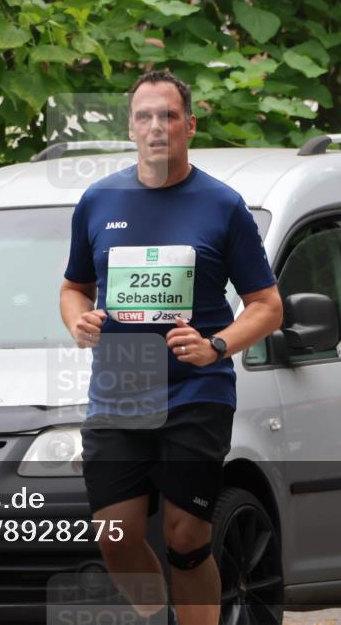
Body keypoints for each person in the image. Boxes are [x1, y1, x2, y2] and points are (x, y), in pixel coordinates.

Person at [59, 70, 283, 625]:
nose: (156, 126)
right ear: (130, 127)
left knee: (186, 537)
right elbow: (73, 288)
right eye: (144, 116)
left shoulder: (221, 205)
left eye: (168, 115)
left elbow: (267, 305)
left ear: (189, 125)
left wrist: (216, 346)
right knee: (116, 536)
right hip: (118, 390)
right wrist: (78, 322)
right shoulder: (98, 200)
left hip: (195, 390)